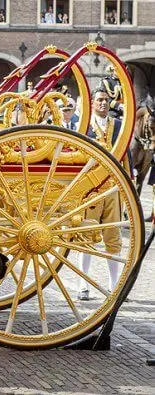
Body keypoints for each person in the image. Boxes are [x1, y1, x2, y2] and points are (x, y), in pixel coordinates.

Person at [77, 87, 123, 300]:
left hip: (113, 188)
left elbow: (125, 154)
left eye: (106, 100)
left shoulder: (119, 126)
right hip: (90, 189)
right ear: (92, 103)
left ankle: (115, 285)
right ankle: (83, 284)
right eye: (99, 100)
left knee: (113, 237)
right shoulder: (84, 126)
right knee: (86, 238)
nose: (103, 103)